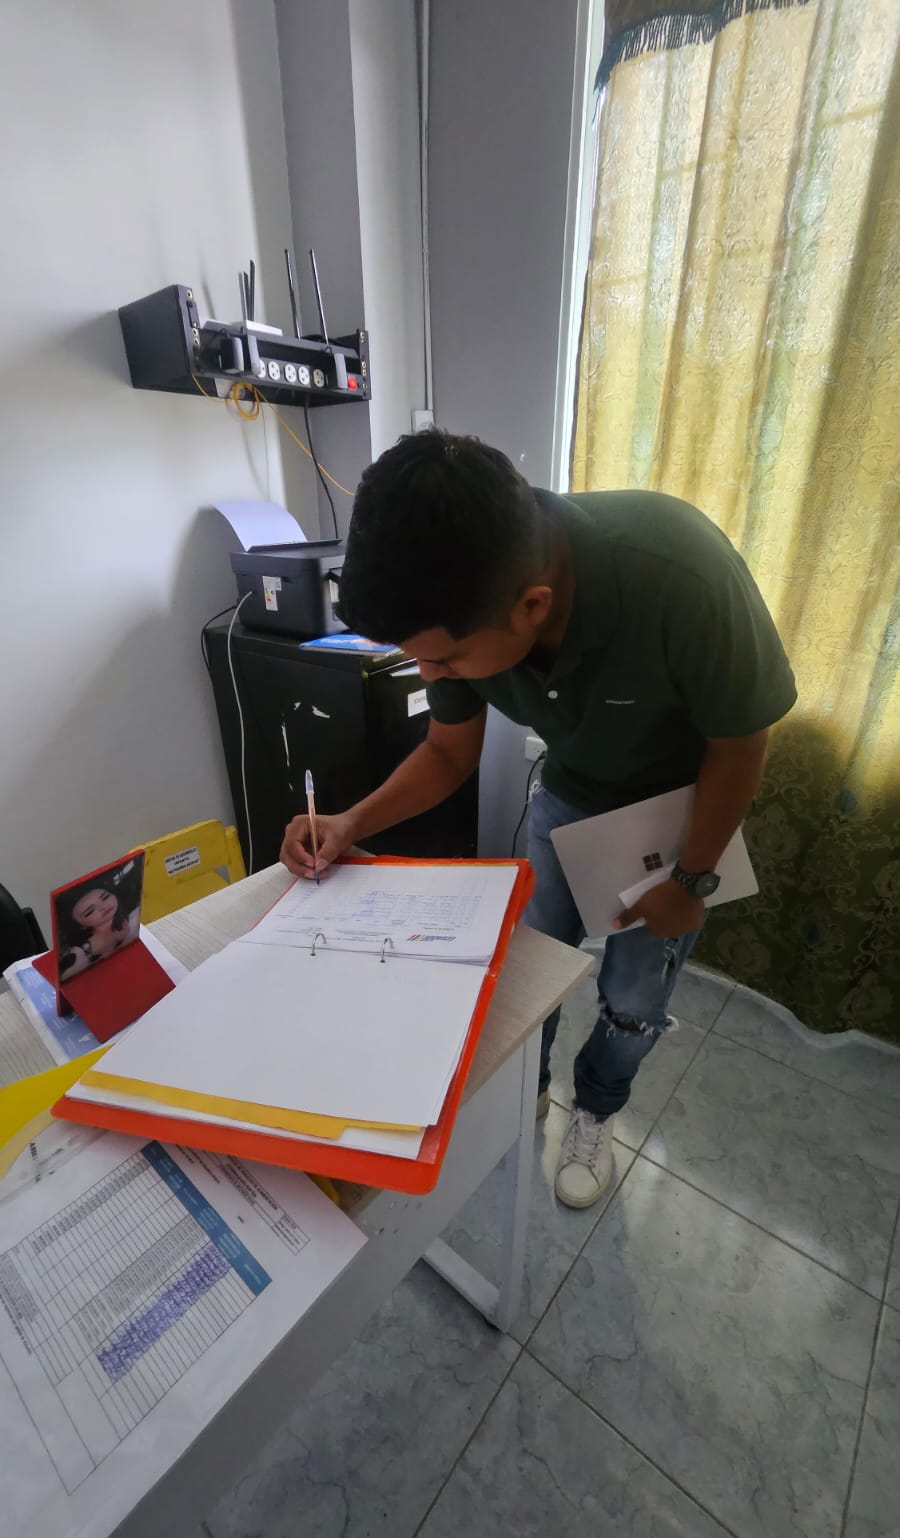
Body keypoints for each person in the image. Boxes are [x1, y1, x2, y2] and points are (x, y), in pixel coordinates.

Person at [280, 431, 796, 1209]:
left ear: (532, 606)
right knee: (526, 972)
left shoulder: (681, 575)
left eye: (444, 662)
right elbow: (447, 753)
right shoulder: (460, 605)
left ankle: (597, 1109)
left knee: (634, 997)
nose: (432, 675)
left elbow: (740, 744)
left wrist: (691, 880)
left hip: (678, 819)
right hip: (567, 802)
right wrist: (353, 820)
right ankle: (524, 1090)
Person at [57, 874, 142, 978]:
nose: (103, 907)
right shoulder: (78, 956)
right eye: (90, 911)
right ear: (80, 926)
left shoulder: (135, 915)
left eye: (105, 897)